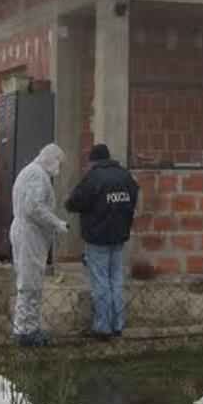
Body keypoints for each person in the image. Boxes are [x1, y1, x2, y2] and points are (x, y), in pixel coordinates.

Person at [65, 143, 140, 340]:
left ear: (93, 161)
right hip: (119, 236)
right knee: (116, 280)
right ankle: (118, 325)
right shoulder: (125, 176)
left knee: (100, 281)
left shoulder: (93, 177)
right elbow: (134, 196)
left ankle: (103, 327)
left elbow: (74, 202)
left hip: (97, 237)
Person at [9, 143, 68, 346]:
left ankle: (27, 327)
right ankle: (24, 330)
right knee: (30, 283)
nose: (58, 167)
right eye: (58, 162)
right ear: (51, 159)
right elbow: (33, 207)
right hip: (29, 234)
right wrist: (56, 223)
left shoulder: (31, 172)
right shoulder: (37, 174)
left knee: (30, 281)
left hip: (27, 232)